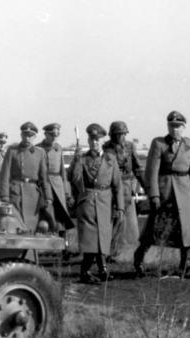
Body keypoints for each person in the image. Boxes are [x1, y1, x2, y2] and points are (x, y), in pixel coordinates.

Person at [133, 111, 190, 278]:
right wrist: (154, 195)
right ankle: (139, 258)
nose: (175, 129)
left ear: (184, 127)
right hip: (166, 190)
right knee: (155, 226)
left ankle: (185, 266)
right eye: (172, 126)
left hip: (185, 190)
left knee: (187, 229)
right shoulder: (159, 144)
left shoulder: (188, 144)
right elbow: (152, 171)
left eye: (178, 126)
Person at [68, 123, 124, 283]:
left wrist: (120, 206)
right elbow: (72, 177)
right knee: (89, 237)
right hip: (87, 201)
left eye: (98, 140)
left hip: (105, 200)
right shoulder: (82, 158)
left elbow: (118, 185)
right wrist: (75, 160)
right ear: (88, 141)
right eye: (92, 140)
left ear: (102, 141)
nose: (95, 143)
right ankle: (85, 271)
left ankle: (102, 269)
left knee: (103, 236)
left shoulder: (110, 159)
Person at [103, 121, 147, 268]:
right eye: (118, 134)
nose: (121, 137)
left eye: (123, 134)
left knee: (130, 222)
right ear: (112, 135)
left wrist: (146, 186)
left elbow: (138, 168)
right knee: (115, 220)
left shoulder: (130, 147)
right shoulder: (106, 148)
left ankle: (127, 253)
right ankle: (110, 252)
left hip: (128, 188)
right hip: (112, 188)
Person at [0, 122, 53, 232]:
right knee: (16, 225)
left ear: (35, 137)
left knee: (31, 226)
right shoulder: (12, 151)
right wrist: (4, 196)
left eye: (30, 136)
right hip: (15, 192)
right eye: (25, 135)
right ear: (21, 135)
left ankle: (31, 249)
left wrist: (48, 196)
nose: (27, 138)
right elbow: (5, 174)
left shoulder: (40, 153)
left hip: (33, 194)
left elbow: (44, 177)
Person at [37, 123, 74, 234]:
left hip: (57, 184)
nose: (54, 137)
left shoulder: (59, 149)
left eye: (56, 135)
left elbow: (63, 172)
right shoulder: (38, 148)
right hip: (43, 184)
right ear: (45, 134)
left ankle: (63, 243)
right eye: (52, 135)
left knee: (61, 213)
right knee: (46, 212)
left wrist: (67, 192)